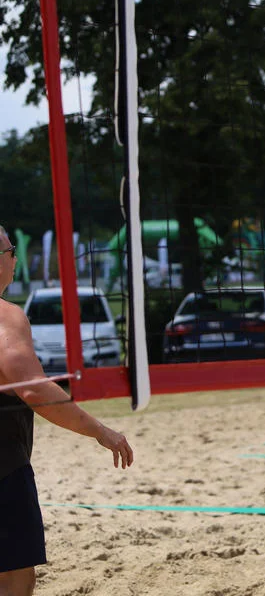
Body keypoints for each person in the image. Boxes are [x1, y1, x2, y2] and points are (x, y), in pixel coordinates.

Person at [0, 225, 134, 596]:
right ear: (4, 259)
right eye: (13, 251)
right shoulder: (5, 317)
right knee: (14, 576)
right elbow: (30, 388)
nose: (16, 258)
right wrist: (99, 430)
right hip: (3, 468)